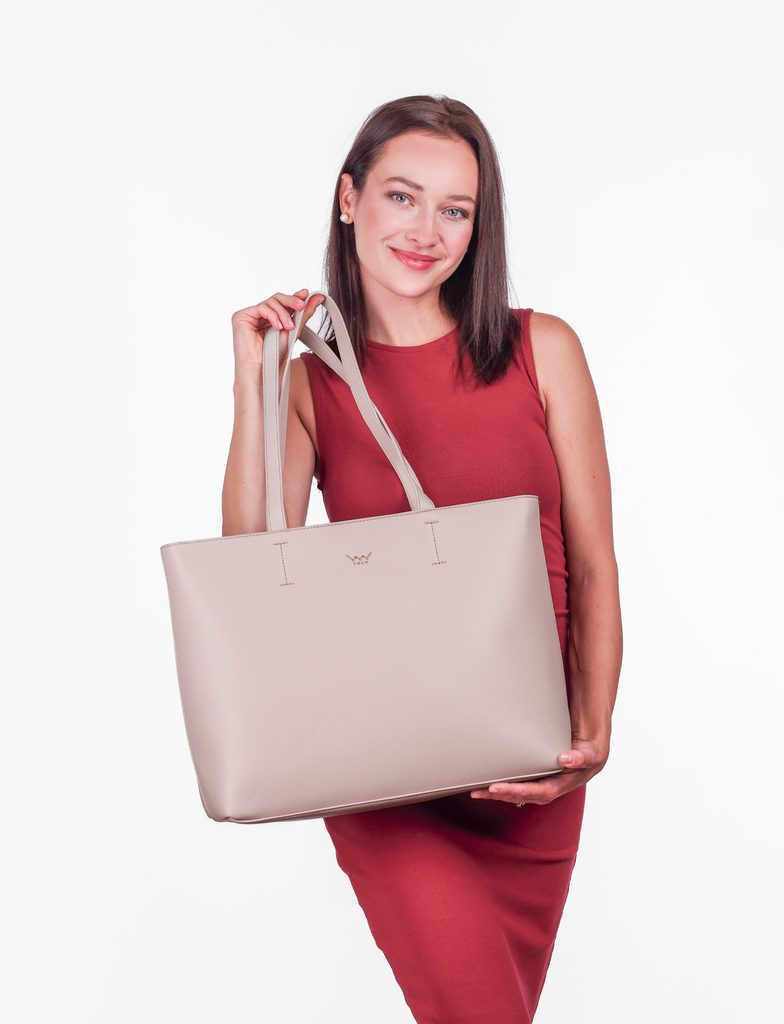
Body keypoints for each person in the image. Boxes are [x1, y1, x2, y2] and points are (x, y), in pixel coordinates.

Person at [222, 94, 622, 1024]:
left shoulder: (541, 349)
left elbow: (595, 565)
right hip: (387, 772)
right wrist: (254, 380)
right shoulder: (311, 384)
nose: (425, 232)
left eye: (456, 209)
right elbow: (251, 567)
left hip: (527, 767)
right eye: (402, 196)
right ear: (349, 199)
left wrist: (592, 735)